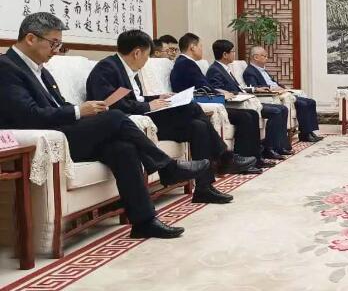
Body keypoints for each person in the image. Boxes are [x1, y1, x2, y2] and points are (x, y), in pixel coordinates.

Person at [0, 13, 213, 239]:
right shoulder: (7, 67)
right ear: (31, 38)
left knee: (123, 149)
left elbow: (59, 105)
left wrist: (86, 110)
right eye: (53, 43)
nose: (56, 50)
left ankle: (144, 221)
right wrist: (78, 111)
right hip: (45, 139)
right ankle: (166, 167)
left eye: (59, 44)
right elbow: (28, 115)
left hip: (63, 131)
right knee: (115, 117)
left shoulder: (40, 69)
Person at [86, 29, 257, 184]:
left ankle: (205, 188)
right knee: (191, 107)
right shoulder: (107, 68)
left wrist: (157, 97)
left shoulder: (127, 69)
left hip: (142, 115)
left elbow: (133, 98)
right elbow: (109, 104)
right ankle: (224, 157)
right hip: (127, 123)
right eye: (147, 56)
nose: (147, 61)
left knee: (198, 126)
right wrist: (148, 105)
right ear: (137, 53)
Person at [169, 33, 265, 173]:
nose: (202, 50)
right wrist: (220, 92)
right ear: (192, 47)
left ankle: (254, 158)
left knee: (251, 114)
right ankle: (240, 160)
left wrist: (218, 91)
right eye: (200, 46)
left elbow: (203, 85)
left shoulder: (187, 63)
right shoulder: (186, 64)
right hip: (196, 105)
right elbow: (203, 87)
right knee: (245, 116)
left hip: (201, 102)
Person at [207, 39, 294, 161]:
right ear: (225, 54)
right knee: (275, 111)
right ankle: (268, 149)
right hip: (234, 105)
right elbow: (218, 91)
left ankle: (277, 146)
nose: (234, 54)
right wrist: (237, 93)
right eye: (232, 52)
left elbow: (238, 88)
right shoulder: (215, 70)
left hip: (244, 100)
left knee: (282, 109)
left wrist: (253, 90)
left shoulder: (225, 68)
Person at [243, 45, 323, 143]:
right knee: (303, 104)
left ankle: (309, 132)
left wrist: (283, 87)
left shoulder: (261, 69)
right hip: (274, 96)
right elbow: (255, 88)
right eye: (265, 56)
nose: (267, 58)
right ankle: (305, 134)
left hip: (281, 92)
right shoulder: (250, 71)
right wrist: (272, 88)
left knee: (310, 102)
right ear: (256, 57)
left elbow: (272, 82)